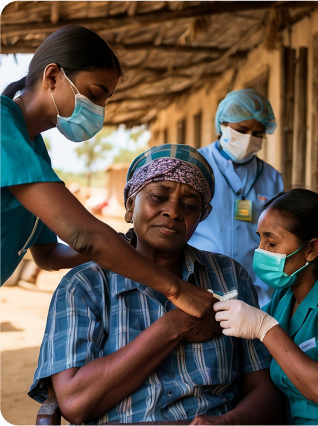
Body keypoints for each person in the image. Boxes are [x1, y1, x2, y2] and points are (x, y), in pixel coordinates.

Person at [29, 144, 283, 426]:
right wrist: (174, 326)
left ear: (202, 216)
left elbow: (263, 387)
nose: (173, 212)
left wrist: (228, 422)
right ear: (130, 204)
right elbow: (75, 404)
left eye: (189, 206)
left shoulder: (229, 277)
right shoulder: (83, 285)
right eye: (158, 197)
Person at [0, 25, 213, 318]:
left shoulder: (37, 154)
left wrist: (126, 247)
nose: (100, 110)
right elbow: (84, 235)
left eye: (105, 100)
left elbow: (48, 255)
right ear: (52, 76)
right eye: (95, 94)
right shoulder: (3, 127)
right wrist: (174, 288)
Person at [214, 189, 318, 425]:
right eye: (260, 240)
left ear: (312, 249)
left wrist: (265, 328)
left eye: (271, 242)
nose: (261, 251)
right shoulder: (285, 296)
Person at [189, 89, 284, 307]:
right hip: (199, 284)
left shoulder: (272, 177)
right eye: (242, 129)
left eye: (258, 133)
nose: (250, 138)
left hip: (255, 290)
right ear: (222, 124)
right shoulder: (195, 164)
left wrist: (266, 289)